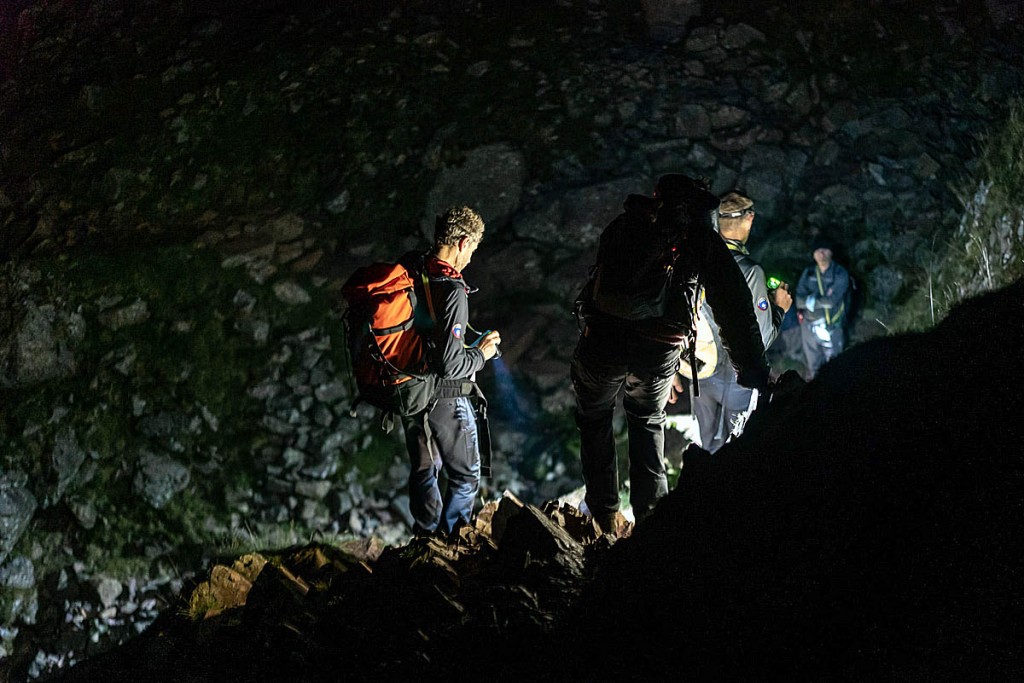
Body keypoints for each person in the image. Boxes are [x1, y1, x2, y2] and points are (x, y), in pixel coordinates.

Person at [571, 174, 770, 533]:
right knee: (646, 420)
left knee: (594, 418)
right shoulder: (699, 238)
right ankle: (652, 521)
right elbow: (735, 308)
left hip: (601, 339)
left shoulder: (625, 225)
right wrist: (752, 369)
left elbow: (596, 283)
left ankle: (602, 515)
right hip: (658, 348)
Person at [402, 206, 501, 535]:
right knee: (465, 477)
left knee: (424, 471)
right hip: (445, 398)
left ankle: (425, 536)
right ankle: (448, 546)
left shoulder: (416, 269)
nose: (471, 257)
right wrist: (482, 354)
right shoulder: (454, 290)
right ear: (462, 242)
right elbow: (450, 364)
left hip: (411, 390)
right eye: (472, 248)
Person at [688, 191, 793, 453]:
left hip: (699, 372)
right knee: (738, 449)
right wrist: (779, 308)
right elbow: (762, 339)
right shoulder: (749, 270)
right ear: (749, 219)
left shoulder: (693, 262)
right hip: (738, 378)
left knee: (707, 444)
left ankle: (700, 490)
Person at [795, 236, 850, 378]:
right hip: (808, 326)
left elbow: (832, 300)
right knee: (813, 365)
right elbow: (798, 300)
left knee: (835, 364)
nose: (821, 253)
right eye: (818, 250)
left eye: (825, 249)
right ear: (813, 254)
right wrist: (818, 300)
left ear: (831, 252)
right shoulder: (808, 273)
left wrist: (810, 301)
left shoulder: (840, 273)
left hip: (832, 325)